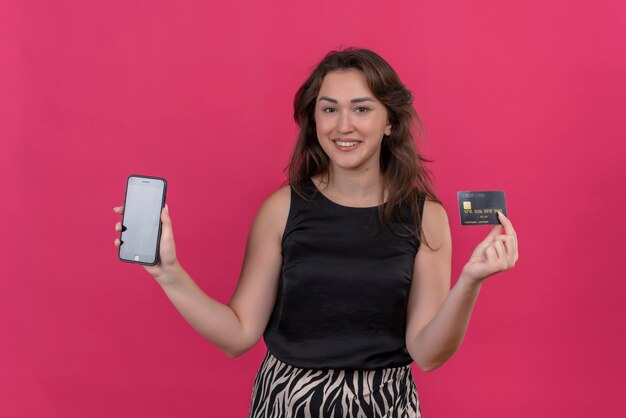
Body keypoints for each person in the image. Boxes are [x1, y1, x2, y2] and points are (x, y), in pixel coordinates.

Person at [113, 48, 519, 417]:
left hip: (384, 406)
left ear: (390, 122)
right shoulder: (281, 209)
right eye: (329, 109)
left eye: (361, 109)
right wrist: (169, 273)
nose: (343, 126)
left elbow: (427, 354)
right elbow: (237, 335)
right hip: (287, 401)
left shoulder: (425, 217)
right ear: (314, 119)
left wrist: (470, 282)